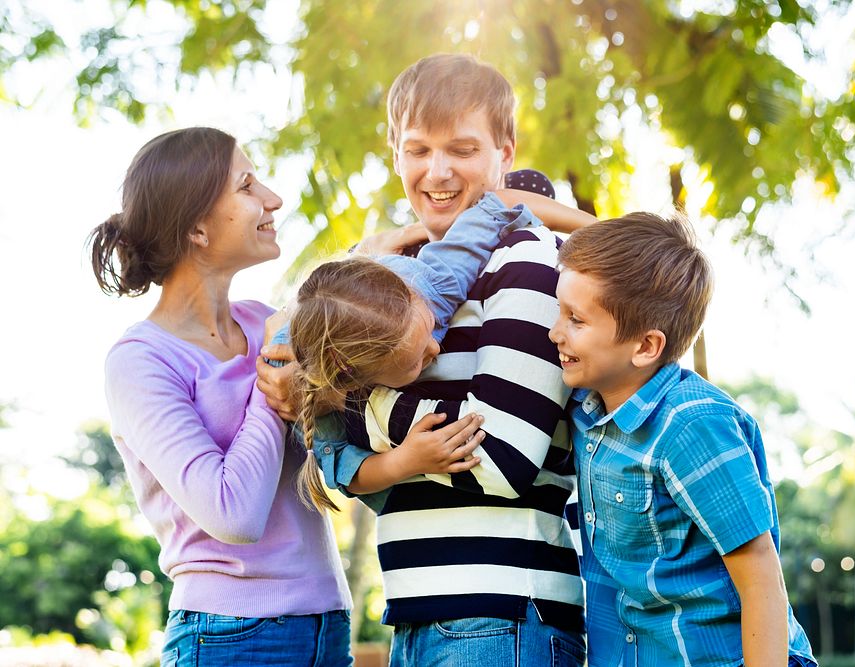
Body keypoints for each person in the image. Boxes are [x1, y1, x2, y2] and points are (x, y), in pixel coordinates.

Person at [257, 54, 587, 667]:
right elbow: (297, 351)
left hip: (503, 609)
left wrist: (343, 394)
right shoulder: (387, 280)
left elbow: (501, 456)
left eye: (462, 149)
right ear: (395, 153)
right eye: (417, 150)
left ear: (504, 154)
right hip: (421, 611)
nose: (436, 172)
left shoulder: (527, 259)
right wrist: (298, 363)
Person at [88, 127, 356, 666]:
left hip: (327, 624)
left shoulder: (264, 321)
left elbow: (338, 448)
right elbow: (233, 513)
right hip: (228, 636)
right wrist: (273, 374)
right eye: (247, 185)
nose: (273, 200)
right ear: (197, 229)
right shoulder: (141, 361)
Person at [548, 212, 818, 667]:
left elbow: (761, 577)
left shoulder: (692, 425)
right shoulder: (587, 406)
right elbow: (519, 205)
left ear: (646, 347)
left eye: (575, 320)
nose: (555, 332)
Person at [269, 188, 594, 515]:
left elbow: (492, 211)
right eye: (417, 360)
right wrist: (403, 462)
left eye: (430, 328)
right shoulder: (315, 393)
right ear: (354, 377)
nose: (436, 348)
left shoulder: (433, 281)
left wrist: (606, 236)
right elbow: (348, 472)